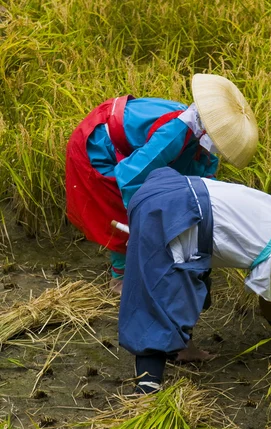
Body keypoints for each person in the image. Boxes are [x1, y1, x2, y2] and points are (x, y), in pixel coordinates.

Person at [118, 166, 271, 394]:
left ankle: (184, 348)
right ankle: (147, 390)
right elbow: (270, 304)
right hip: (174, 215)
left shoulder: (270, 206)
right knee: (163, 299)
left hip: (163, 189)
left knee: (196, 278)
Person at [65, 74, 258, 293]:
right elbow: (130, 176)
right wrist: (143, 220)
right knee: (120, 209)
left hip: (126, 146)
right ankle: (120, 278)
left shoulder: (197, 131)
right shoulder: (174, 134)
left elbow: (202, 177)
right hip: (96, 145)